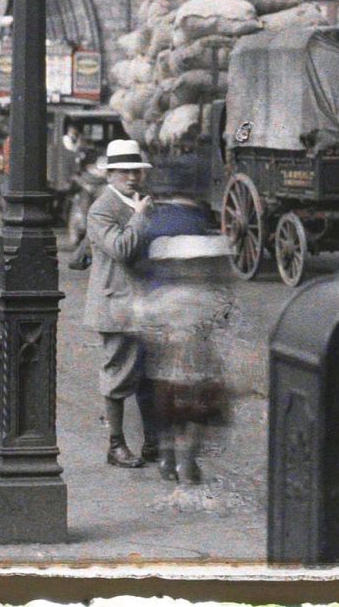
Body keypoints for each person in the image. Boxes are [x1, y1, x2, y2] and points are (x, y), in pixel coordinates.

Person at [136, 155, 234, 486]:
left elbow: (141, 280)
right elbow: (223, 305)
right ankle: (188, 460)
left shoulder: (156, 225)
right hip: (200, 346)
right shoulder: (199, 223)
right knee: (200, 404)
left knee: (165, 402)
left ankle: (166, 455)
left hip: (166, 344)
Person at [82, 137, 158, 468]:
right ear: (110, 174)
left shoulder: (138, 202)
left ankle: (153, 442)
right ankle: (116, 445)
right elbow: (122, 249)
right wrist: (140, 218)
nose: (132, 177)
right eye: (124, 172)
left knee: (148, 374)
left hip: (143, 305)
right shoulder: (102, 208)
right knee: (117, 375)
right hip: (116, 306)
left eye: (136, 171)